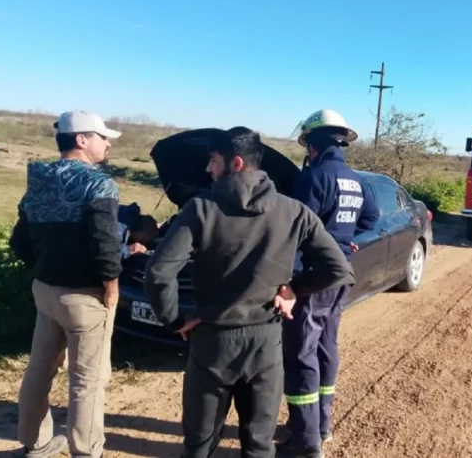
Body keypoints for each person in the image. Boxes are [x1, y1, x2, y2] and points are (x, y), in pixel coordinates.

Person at [142, 126, 355, 458]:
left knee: (199, 444)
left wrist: (174, 320)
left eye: (212, 161)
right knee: (258, 446)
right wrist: (293, 289)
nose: (207, 169)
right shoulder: (294, 211)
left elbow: (158, 272)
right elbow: (338, 269)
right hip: (266, 345)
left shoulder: (200, 209)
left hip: (212, 342)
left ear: (236, 163)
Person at [9, 110, 123, 458]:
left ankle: (35, 442)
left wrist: (46, 267)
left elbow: (19, 242)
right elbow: (104, 242)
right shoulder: (100, 184)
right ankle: (88, 452)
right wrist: (112, 287)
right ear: (82, 140)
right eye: (103, 137)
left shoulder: (39, 178)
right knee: (87, 383)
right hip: (84, 299)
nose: (107, 144)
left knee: (39, 370)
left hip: (45, 291)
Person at [277, 109, 379, 458]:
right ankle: (321, 425)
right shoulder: (355, 179)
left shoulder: (314, 177)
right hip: (340, 275)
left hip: (311, 278)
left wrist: (287, 284)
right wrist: (345, 238)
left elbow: (294, 233)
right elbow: (371, 218)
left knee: (301, 353)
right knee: (325, 348)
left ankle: (306, 442)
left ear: (312, 144)